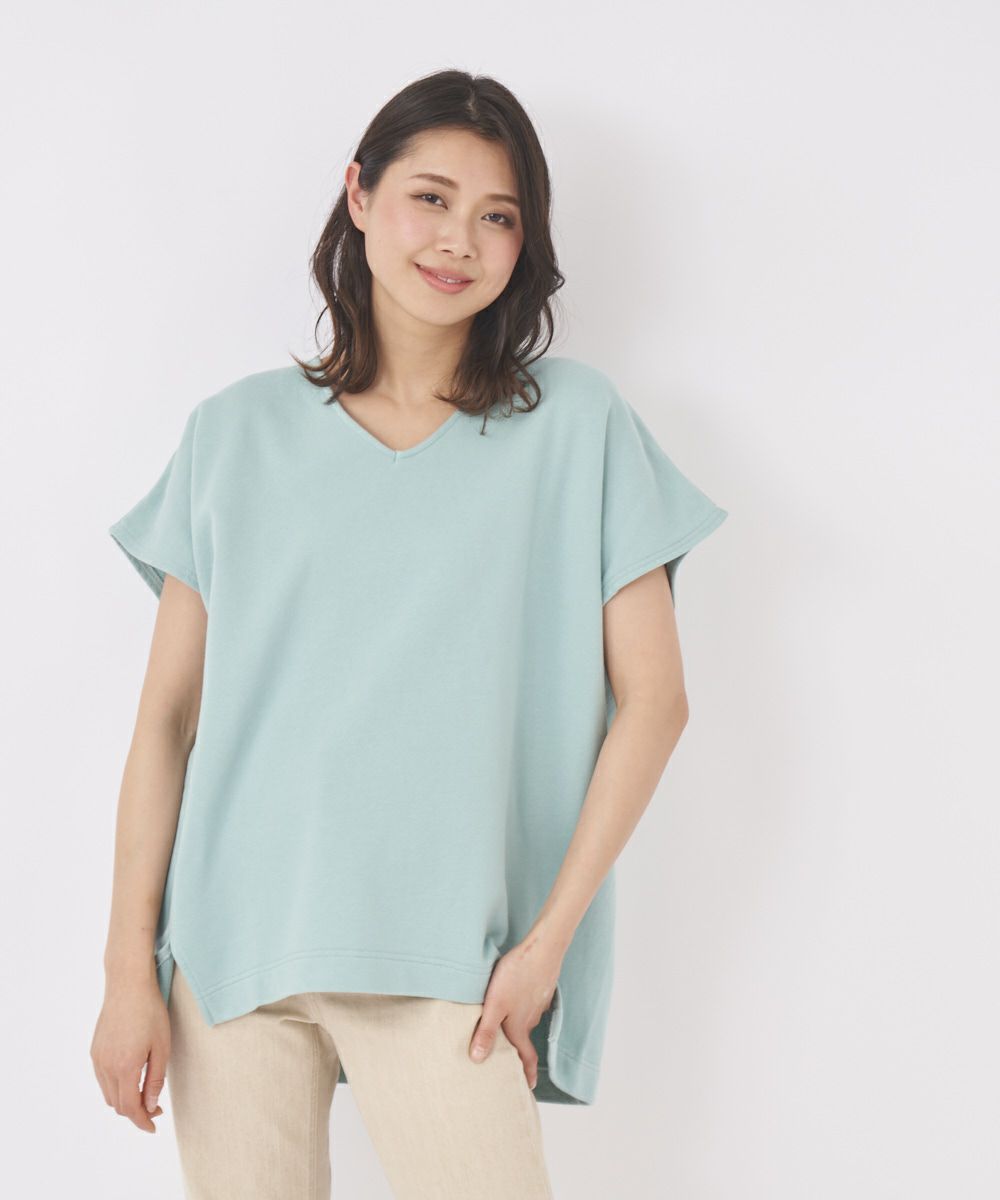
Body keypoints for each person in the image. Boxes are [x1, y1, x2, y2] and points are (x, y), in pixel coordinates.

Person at [90, 68, 729, 1199]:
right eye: (431, 198)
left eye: (498, 216)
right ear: (359, 195)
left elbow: (656, 702)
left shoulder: (575, 426)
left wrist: (545, 947)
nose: (458, 241)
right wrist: (126, 972)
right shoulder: (233, 435)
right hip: (237, 953)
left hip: (454, 956)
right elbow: (166, 723)